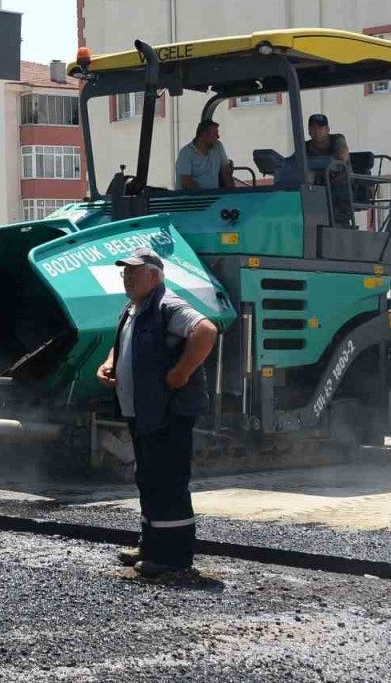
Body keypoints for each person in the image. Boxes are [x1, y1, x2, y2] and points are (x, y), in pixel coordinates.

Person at [95, 247, 217, 576]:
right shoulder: (134, 310)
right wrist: (109, 363)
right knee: (148, 478)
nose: (127, 278)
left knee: (168, 482)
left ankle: (174, 559)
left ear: (155, 276)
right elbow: (123, 342)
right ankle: (151, 545)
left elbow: (206, 332)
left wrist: (181, 373)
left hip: (168, 411)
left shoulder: (168, 305)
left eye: (134, 272)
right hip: (143, 411)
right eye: (125, 273)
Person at [305, 113, 354, 225]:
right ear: (309, 130)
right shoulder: (305, 146)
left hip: (341, 188)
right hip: (318, 190)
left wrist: (324, 162)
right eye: (313, 128)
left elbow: (343, 156)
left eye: (320, 127)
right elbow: (293, 162)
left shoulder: (337, 139)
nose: (317, 131)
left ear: (327, 129)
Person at [176, 121, 234, 190]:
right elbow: (186, 182)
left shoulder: (218, 146)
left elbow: (226, 173)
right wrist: (204, 195)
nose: (218, 137)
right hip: (192, 198)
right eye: (215, 134)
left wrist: (234, 194)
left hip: (214, 196)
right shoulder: (185, 153)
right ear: (204, 135)